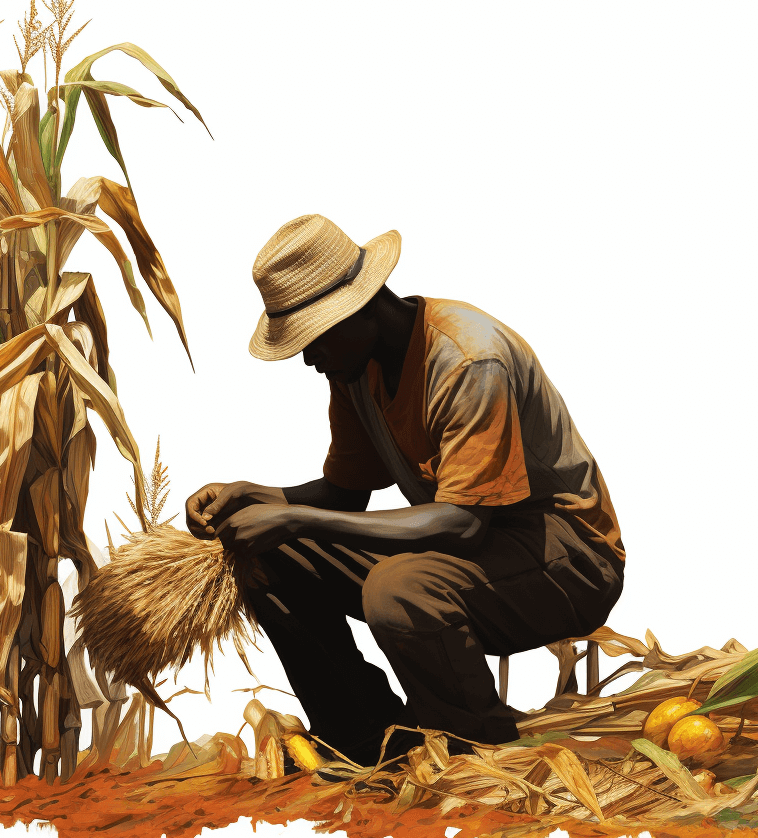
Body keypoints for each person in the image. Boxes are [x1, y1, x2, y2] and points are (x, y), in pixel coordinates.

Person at [185, 214, 624, 765]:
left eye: (312, 338)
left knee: (399, 590)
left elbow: (463, 523)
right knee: (269, 557)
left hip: (569, 556)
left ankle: (477, 751)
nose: (307, 358)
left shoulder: (467, 358)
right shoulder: (355, 370)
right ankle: (370, 744)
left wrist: (296, 519)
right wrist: (255, 495)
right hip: (477, 545)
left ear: (357, 309)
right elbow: (344, 495)